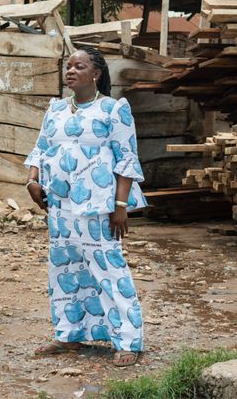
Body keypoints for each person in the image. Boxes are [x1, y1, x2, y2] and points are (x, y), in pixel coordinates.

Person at [24, 47, 147, 368]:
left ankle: (127, 341)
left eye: (79, 66)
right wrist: (32, 181)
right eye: (69, 66)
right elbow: (41, 148)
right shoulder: (55, 110)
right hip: (60, 207)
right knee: (64, 270)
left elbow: (126, 158)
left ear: (96, 74)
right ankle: (68, 336)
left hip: (99, 207)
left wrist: (120, 205)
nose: (71, 71)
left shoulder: (113, 110)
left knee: (109, 270)